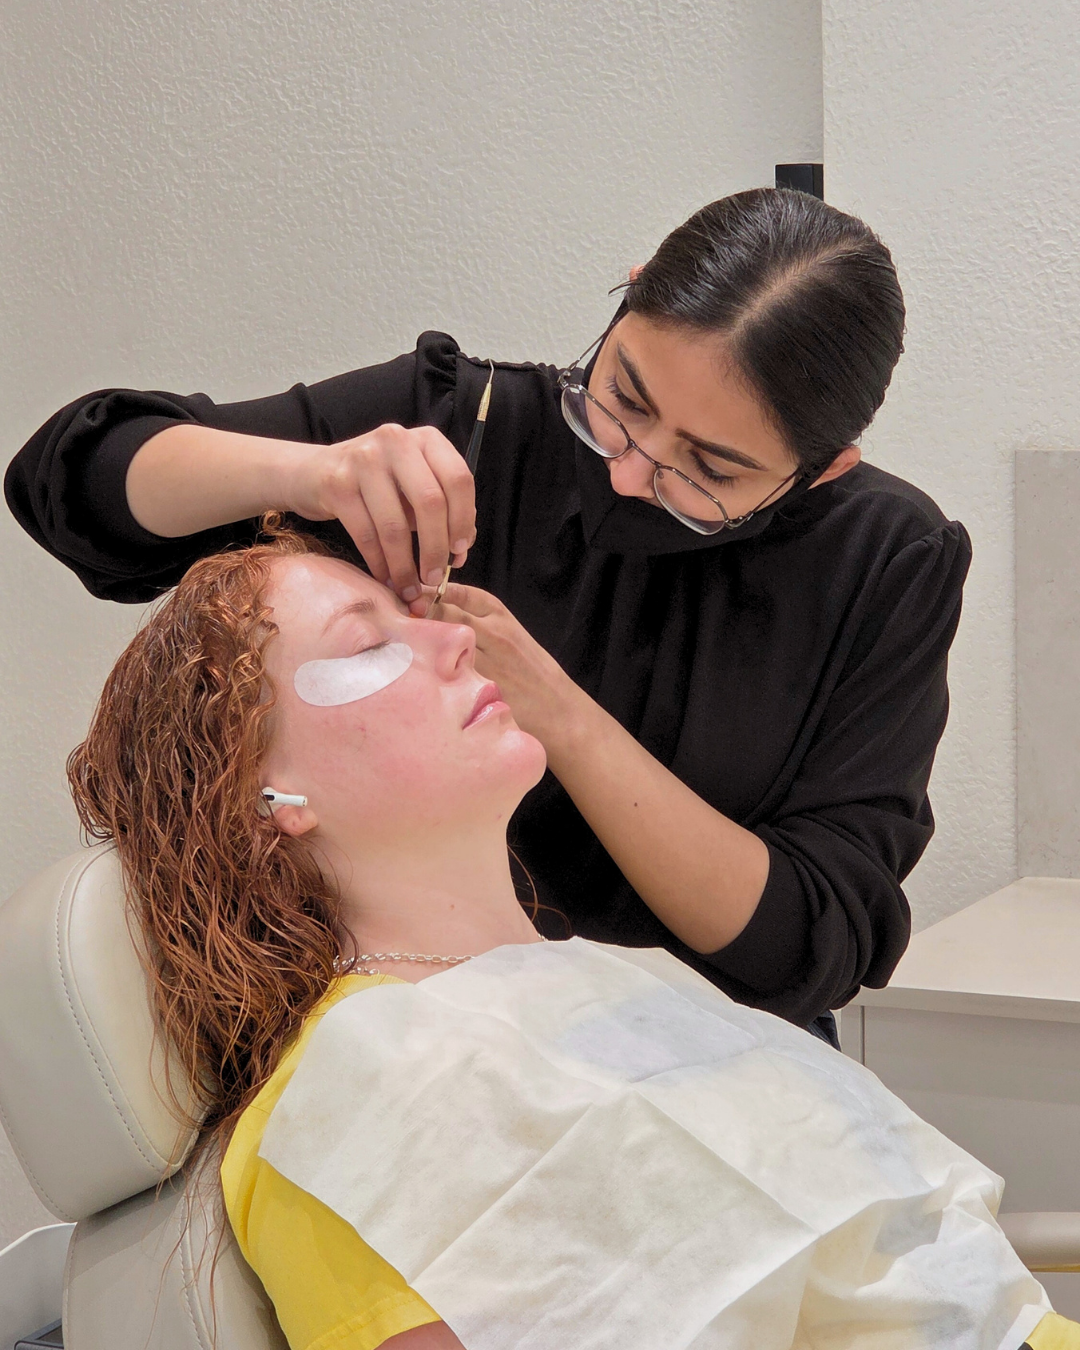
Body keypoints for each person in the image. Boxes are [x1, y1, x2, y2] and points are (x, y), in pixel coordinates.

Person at [65, 527, 1073, 1350]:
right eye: (366, 647)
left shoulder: (615, 977)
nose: (455, 638)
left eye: (417, 615)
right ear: (265, 800)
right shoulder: (347, 1104)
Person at [9, 187, 973, 1040]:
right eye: (623, 399)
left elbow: (816, 939)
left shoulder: (886, 562)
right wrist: (314, 469)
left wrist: (558, 717)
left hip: (715, 1060)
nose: (630, 474)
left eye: (710, 469)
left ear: (825, 468)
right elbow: (71, 483)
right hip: (425, 1046)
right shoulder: (463, 424)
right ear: (628, 294)